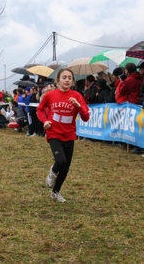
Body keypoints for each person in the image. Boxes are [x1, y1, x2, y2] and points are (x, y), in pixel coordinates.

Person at [37, 68, 90, 202]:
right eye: (64, 77)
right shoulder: (50, 95)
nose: (67, 80)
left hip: (69, 134)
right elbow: (40, 110)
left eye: (69, 78)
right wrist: (45, 121)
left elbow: (86, 117)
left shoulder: (77, 96)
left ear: (73, 81)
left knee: (65, 168)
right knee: (60, 161)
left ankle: (55, 192)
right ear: (58, 80)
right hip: (54, 132)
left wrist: (78, 106)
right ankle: (53, 172)